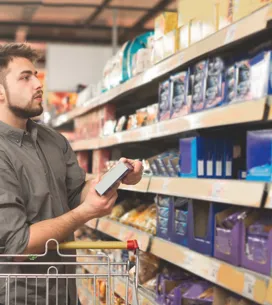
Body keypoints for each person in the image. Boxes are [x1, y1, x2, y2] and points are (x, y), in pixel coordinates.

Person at [0, 43, 143, 305]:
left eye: (36, 74)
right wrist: (85, 213)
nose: (37, 83)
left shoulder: (54, 140)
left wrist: (109, 180)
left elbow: (77, 192)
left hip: (64, 291)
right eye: (25, 77)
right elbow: (18, 244)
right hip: (19, 295)